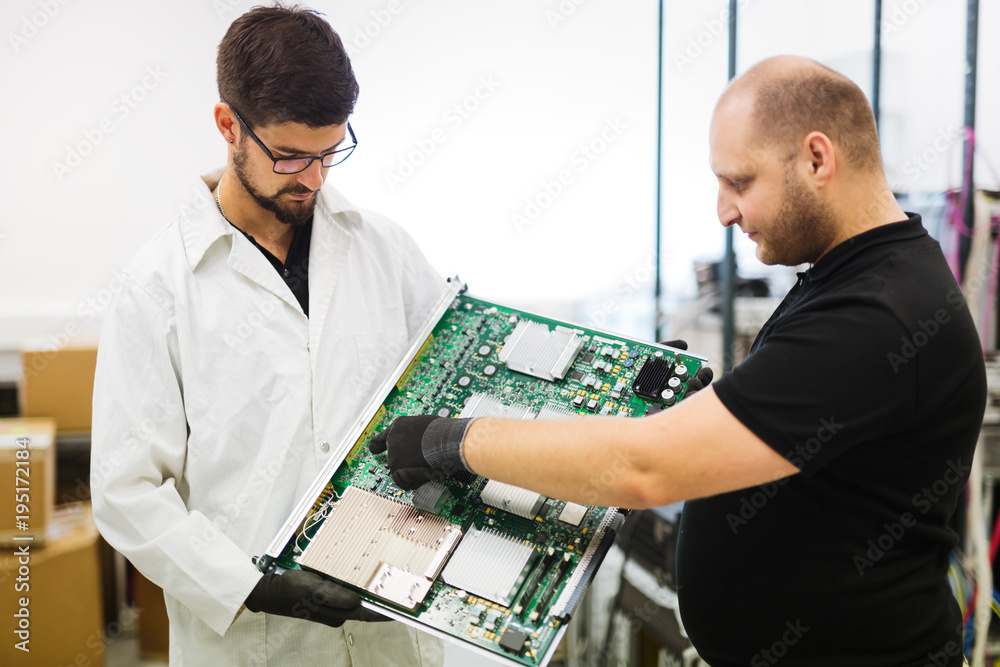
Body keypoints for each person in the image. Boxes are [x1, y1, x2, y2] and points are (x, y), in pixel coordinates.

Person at [370, 55, 987, 666]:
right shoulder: (848, 278)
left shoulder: (877, 312)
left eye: (739, 182)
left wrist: (455, 441)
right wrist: (708, 415)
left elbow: (643, 469)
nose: (724, 211)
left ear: (818, 159)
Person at [91, 5, 445, 665]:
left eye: (330, 153)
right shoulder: (158, 287)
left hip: (392, 635)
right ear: (229, 125)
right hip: (256, 644)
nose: (313, 178)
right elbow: (126, 490)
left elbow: (460, 388)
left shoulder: (388, 252)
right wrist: (256, 587)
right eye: (288, 157)